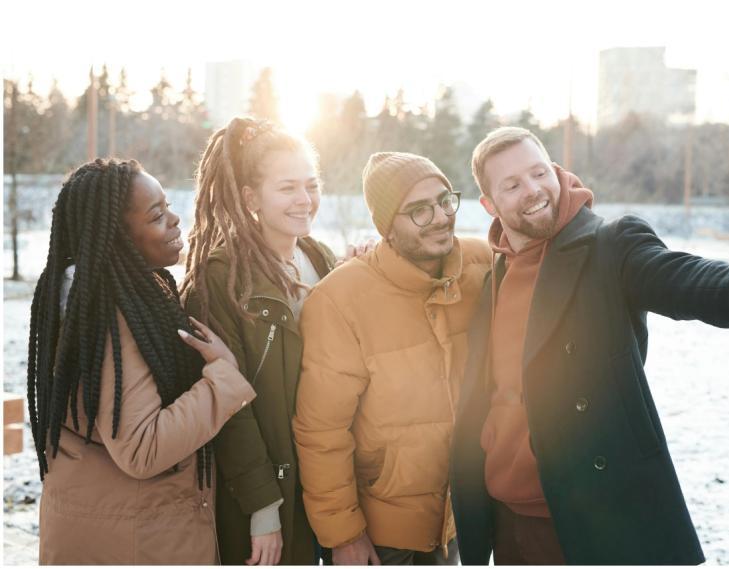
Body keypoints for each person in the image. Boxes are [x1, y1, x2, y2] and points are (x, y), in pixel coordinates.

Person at [449, 127, 729, 565]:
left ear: (556, 170)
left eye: (538, 173)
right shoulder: (494, 273)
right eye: (512, 185)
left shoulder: (611, 245)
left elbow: (682, 278)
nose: (533, 190)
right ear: (490, 206)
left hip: (594, 518)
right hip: (509, 524)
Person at [28, 158, 256, 564]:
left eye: (168, 206)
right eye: (156, 215)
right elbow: (141, 449)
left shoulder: (99, 301)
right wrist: (223, 378)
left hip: (116, 530)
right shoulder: (113, 316)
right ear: (117, 237)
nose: (174, 220)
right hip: (137, 543)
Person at [292, 152, 491, 565]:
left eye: (444, 200)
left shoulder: (482, 263)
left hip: (462, 523)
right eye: (418, 211)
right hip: (383, 538)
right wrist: (344, 535)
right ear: (387, 228)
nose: (439, 217)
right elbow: (321, 432)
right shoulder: (339, 300)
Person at [181, 118, 336, 565]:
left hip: (324, 479)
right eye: (287, 188)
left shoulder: (319, 258)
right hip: (263, 495)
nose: (305, 200)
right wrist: (263, 508)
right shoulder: (219, 281)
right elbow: (226, 405)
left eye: (311, 184)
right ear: (251, 197)